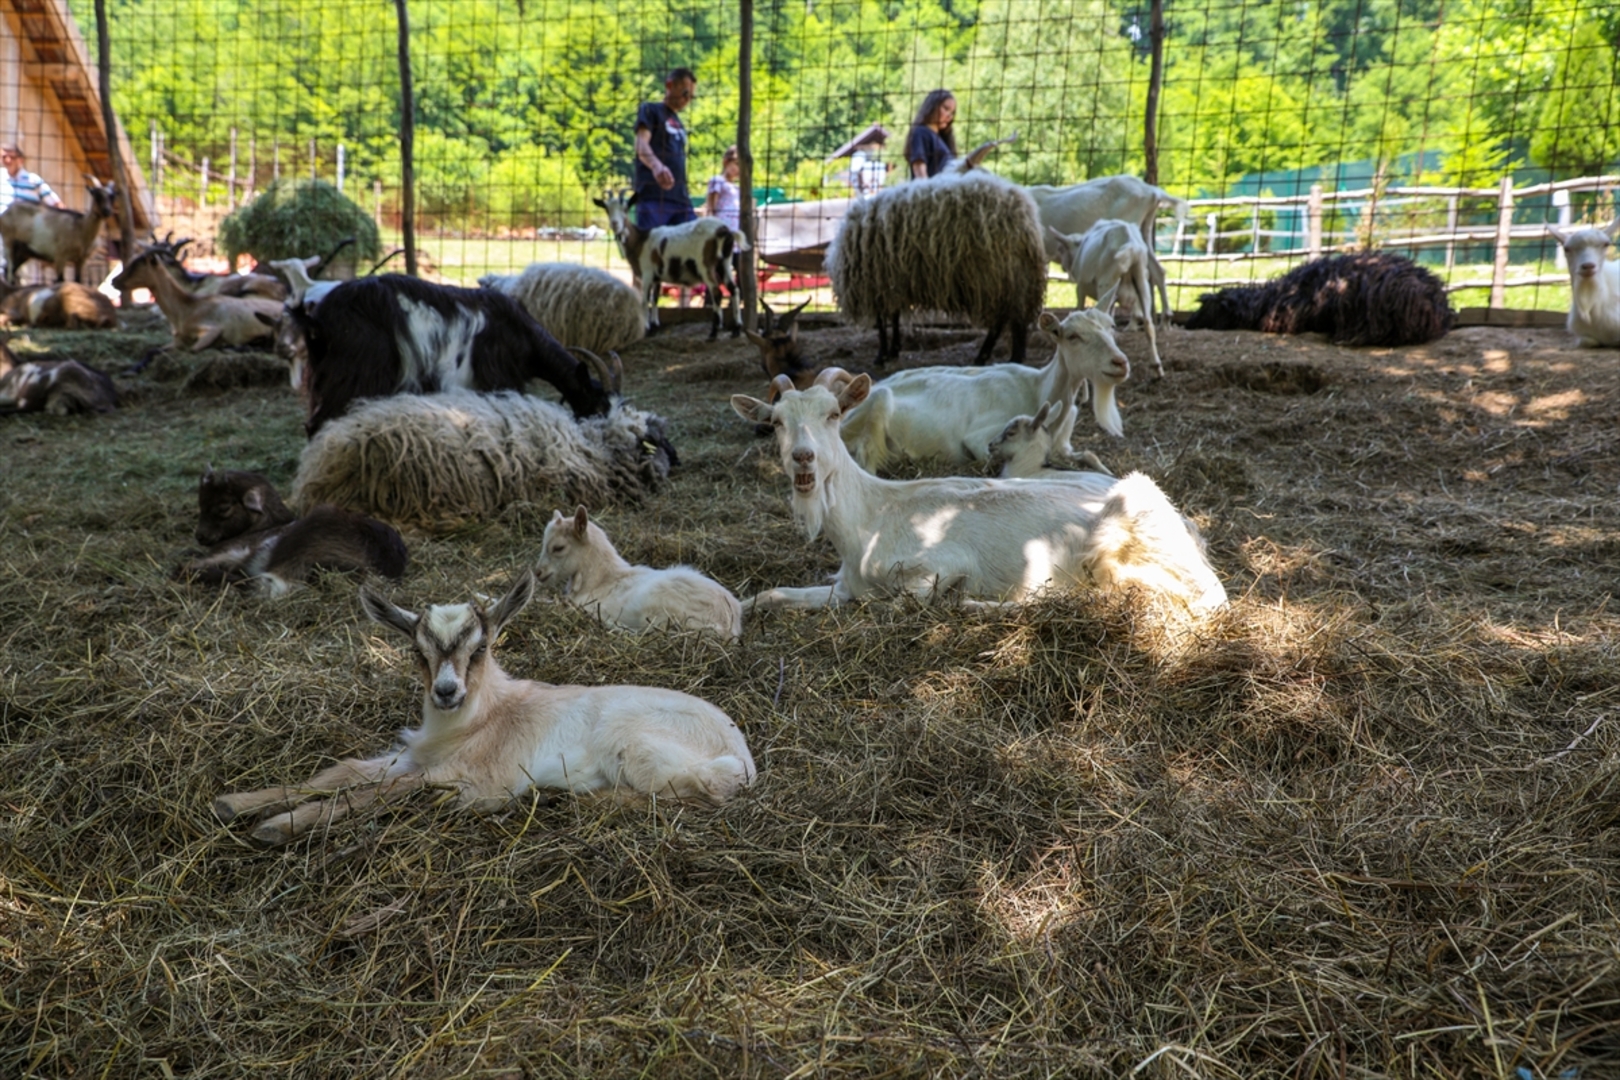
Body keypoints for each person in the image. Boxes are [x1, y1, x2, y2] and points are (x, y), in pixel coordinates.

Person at [632, 68, 698, 232]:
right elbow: (641, 144)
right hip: (653, 196)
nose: (687, 99)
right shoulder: (650, 110)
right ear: (670, 85)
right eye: (684, 93)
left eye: (691, 96)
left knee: (690, 246)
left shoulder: (679, 122)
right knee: (651, 252)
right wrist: (657, 166)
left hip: (681, 199)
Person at [904, 90, 957, 180]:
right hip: (930, 192)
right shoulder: (921, 132)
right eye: (946, 109)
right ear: (933, 106)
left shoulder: (942, 139)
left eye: (952, 112)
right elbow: (919, 169)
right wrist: (926, 192)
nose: (949, 116)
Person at [0, 144, 65, 210]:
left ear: (21, 160)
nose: (8, 160)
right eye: (4, 157)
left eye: (12, 157)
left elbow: (56, 203)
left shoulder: (33, 180)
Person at [704, 146, 741, 231]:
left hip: (735, 229)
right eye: (737, 164)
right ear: (726, 162)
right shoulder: (717, 180)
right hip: (720, 228)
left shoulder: (737, 187)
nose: (739, 169)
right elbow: (710, 208)